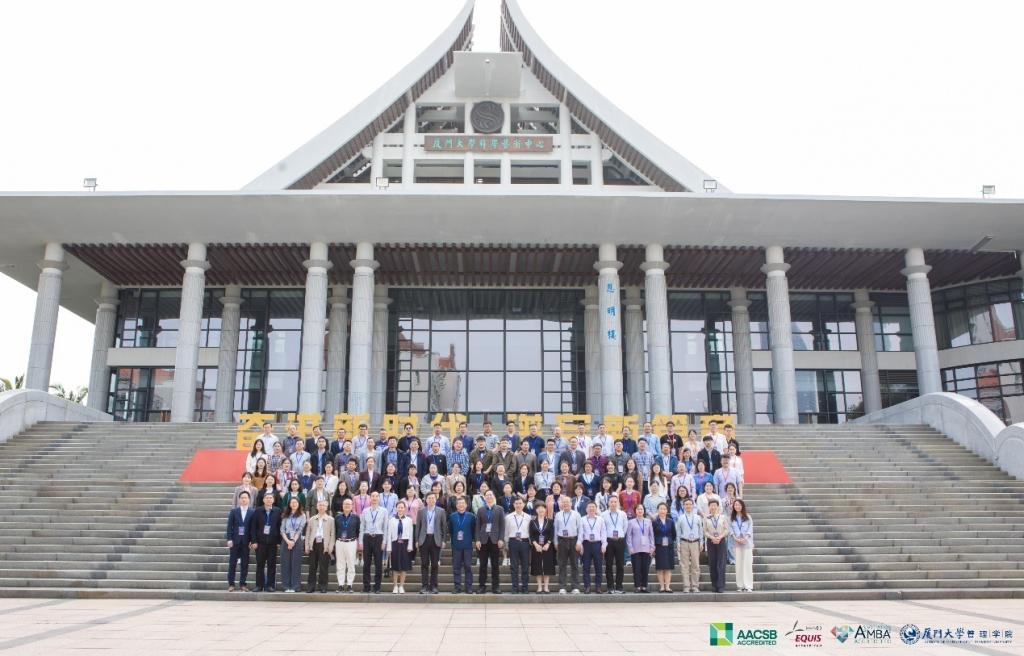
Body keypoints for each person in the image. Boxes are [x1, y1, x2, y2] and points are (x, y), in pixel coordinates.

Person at [474, 490, 505, 594]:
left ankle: (496, 587)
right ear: (484, 497)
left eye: (491, 495)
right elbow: (477, 526)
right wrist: (477, 540)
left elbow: (502, 525)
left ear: (494, 496)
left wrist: (501, 539)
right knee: (483, 565)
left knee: (495, 565)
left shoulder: (500, 509)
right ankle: (482, 586)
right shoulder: (481, 510)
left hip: (495, 540)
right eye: (487, 495)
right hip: (483, 540)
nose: (489, 497)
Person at [416, 492, 446, 594]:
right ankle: (424, 586)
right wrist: (417, 540)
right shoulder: (421, 511)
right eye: (429, 498)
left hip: (435, 539)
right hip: (424, 539)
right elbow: (418, 527)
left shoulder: (441, 511)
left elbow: (444, 527)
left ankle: (433, 586)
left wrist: (443, 540)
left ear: (436, 499)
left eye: (433, 498)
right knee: (424, 563)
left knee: (434, 564)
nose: (431, 500)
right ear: (426, 500)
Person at [251, 491, 282, 592]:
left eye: (270, 498)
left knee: (271, 565)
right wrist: (254, 541)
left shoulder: (277, 511)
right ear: (263, 500)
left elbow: (280, 527)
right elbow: (253, 527)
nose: (269, 500)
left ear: (273, 500)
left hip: (273, 543)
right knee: (260, 564)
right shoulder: (258, 511)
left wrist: (279, 541)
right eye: (267, 498)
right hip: (260, 543)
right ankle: (259, 585)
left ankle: (270, 585)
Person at [359, 491, 387, 593]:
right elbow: (362, 527)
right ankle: (366, 587)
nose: (374, 498)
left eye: (376, 496)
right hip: (367, 537)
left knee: (378, 564)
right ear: (370, 498)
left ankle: (377, 587)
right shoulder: (365, 511)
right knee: (366, 563)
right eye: (373, 496)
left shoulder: (384, 511)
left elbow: (385, 527)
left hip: (378, 538)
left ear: (379, 498)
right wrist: (361, 541)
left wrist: (384, 541)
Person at [225, 490, 254, 592]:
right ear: (239, 499)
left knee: (245, 564)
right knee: (232, 563)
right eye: (242, 498)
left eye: (245, 498)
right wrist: (229, 539)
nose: (244, 499)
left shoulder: (252, 512)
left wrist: (252, 540)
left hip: (246, 542)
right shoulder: (234, 511)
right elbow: (229, 526)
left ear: (249, 499)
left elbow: (253, 528)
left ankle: (242, 584)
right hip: (235, 541)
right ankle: (231, 584)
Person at [576, 501, 607, 594]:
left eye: (593, 507)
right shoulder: (582, 519)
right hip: (586, 544)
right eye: (589, 507)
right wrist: (580, 544)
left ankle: (598, 587)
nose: (591, 508)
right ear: (586, 509)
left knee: (598, 567)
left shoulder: (600, 519)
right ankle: (587, 587)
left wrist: (604, 545)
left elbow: (603, 533)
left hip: (597, 544)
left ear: (596, 508)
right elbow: (580, 533)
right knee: (586, 567)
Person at [303, 499, 334, 593]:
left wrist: (330, 547)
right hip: (313, 543)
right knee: (312, 567)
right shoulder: (312, 519)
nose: (321, 507)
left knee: (323, 567)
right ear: (317, 507)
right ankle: (311, 586)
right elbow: (308, 533)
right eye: (320, 505)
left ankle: (323, 586)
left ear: (326, 507)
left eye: (323, 505)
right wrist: (307, 546)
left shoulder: (331, 520)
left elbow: (332, 534)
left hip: (324, 544)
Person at [385, 500, 414, 593]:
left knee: (404, 566)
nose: (400, 509)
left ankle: (401, 586)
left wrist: (410, 546)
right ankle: (395, 586)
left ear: (404, 509)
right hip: (395, 543)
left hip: (405, 543)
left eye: (402, 507)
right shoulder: (391, 520)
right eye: (399, 507)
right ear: (396, 508)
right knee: (395, 566)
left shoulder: (409, 520)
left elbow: (411, 534)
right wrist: (389, 547)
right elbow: (389, 534)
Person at [554, 495, 581, 594]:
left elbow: (580, 529)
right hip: (561, 540)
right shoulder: (558, 515)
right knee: (562, 564)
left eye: (567, 502)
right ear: (561, 504)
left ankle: (575, 587)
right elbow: (555, 529)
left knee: (575, 564)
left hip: (573, 540)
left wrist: (579, 542)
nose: (565, 504)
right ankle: (562, 587)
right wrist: (555, 542)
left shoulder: (576, 514)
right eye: (564, 502)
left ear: (571, 503)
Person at [601, 495, 628, 594]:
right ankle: (610, 587)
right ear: (608, 503)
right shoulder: (603, 515)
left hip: (620, 541)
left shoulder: (623, 514)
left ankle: (619, 587)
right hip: (609, 541)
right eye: (611, 502)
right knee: (608, 565)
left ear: (618, 503)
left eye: (615, 502)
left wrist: (620, 535)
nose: (613, 504)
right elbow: (602, 529)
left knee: (620, 564)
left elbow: (625, 527)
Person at [279, 495, 306, 593]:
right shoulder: (285, 515)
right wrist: (288, 541)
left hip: (297, 540)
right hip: (285, 539)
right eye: (292, 502)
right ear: (289, 504)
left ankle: (295, 586)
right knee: (285, 563)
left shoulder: (302, 515)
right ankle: (286, 586)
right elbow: (282, 529)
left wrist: (293, 541)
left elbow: (300, 529)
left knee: (296, 563)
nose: (294, 504)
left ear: (299, 504)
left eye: (295, 502)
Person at [448, 495, 475, 593]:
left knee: (468, 566)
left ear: (466, 505)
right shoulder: (452, 516)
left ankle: (468, 587)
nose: (461, 505)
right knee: (456, 567)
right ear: (456, 505)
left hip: (467, 545)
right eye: (459, 503)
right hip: (456, 546)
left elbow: (473, 529)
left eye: (463, 503)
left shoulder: (471, 516)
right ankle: (457, 587)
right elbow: (451, 530)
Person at [625, 503, 654, 593]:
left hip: (647, 548)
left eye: (641, 509)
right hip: (635, 549)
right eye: (638, 509)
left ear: (644, 511)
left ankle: (644, 586)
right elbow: (629, 536)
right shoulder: (631, 522)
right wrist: (630, 547)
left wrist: (652, 547)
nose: (640, 511)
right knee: (636, 568)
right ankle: (637, 586)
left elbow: (651, 535)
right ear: (635, 511)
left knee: (645, 568)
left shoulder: (648, 521)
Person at [675, 497, 702, 593]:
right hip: (684, 542)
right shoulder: (681, 518)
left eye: (690, 504)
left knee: (696, 565)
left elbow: (701, 531)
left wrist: (701, 542)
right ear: (683, 506)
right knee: (684, 565)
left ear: (693, 505)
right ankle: (686, 586)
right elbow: (678, 532)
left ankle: (695, 586)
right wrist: (678, 543)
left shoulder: (697, 517)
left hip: (695, 542)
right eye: (686, 504)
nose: (688, 506)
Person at [333, 497, 360, 593]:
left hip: (351, 542)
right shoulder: (337, 517)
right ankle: (340, 584)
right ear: (342, 506)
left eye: (349, 504)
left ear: (352, 506)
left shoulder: (356, 517)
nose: (347, 506)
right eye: (345, 504)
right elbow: (335, 530)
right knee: (340, 564)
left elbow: (357, 531)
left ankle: (349, 585)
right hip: (340, 542)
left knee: (351, 564)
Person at [505, 497, 531, 593]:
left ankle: (525, 587)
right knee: (514, 566)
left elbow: (530, 532)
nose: (518, 505)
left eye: (520, 503)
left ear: (523, 505)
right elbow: (506, 531)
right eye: (516, 503)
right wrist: (506, 543)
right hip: (513, 542)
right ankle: (515, 587)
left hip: (525, 542)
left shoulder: (528, 517)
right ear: (513, 505)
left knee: (525, 566)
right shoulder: (508, 517)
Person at [703, 499, 730, 593]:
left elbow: (726, 530)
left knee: (721, 563)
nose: (713, 507)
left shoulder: (723, 517)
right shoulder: (706, 518)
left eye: (715, 505)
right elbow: (705, 531)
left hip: (721, 541)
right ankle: (714, 585)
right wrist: (712, 537)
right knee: (712, 563)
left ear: (718, 507)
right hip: (710, 541)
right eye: (711, 505)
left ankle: (721, 585)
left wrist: (720, 537)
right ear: (709, 507)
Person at [652, 502, 676, 593]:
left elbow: (674, 534)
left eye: (664, 509)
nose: (662, 511)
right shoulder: (654, 522)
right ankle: (662, 586)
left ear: (667, 510)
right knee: (660, 567)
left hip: (668, 546)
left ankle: (668, 587)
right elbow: (653, 535)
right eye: (661, 509)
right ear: (658, 510)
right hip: (659, 546)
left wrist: (669, 540)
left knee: (668, 567)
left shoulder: (671, 521)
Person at [731, 498, 754, 592]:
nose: (737, 506)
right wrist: (736, 538)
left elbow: (750, 529)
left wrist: (745, 538)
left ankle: (748, 585)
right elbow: (730, 530)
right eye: (735, 505)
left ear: (742, 506)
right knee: (739, 565)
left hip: (746, 543)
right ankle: (740, 585)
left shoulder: (748, 517)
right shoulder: (732, 518)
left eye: (739, 505)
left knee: (747, 564)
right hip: (737, 543)